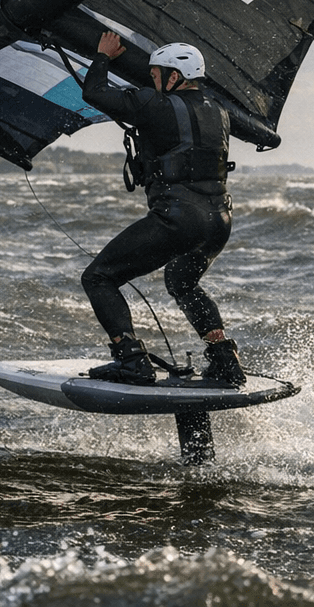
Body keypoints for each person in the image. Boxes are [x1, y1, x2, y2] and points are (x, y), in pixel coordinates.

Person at [77, 31, 245, 387]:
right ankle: (224, 357)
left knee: (99, 278)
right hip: (220, 221)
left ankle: (131, 359)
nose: (152, 82)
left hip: (180, 218)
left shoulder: (153, 105)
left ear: (175, 77)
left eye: (156, 76)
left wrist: (104, 55)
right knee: (181, 281)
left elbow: (93, 92)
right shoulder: (221, 111)